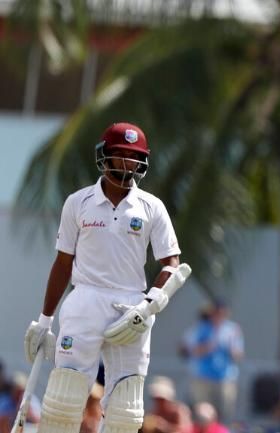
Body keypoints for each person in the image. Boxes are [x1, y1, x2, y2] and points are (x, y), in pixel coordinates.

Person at [22, 122, 189, 433]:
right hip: (85, 299)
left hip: (132, 307)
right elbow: (62, 263)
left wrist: (147, 307)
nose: (128, 163)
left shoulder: (152, 207)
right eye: (121, 154)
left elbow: (172, 264)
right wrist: (44, 321)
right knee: (64, 401)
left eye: (134, 156)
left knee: (126, 412)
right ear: (105, 156)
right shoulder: (78, 202)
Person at [185, 301, 245, 424]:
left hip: (225, 379)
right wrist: (208, 347)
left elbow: (239, 355)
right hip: (203, 378)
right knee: (201, 414)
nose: (219, 315)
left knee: (224, 413)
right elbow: (192, 351)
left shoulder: (232, 330)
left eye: (222, 312)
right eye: (216, 312)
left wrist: (232, 348)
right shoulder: (202, 328)